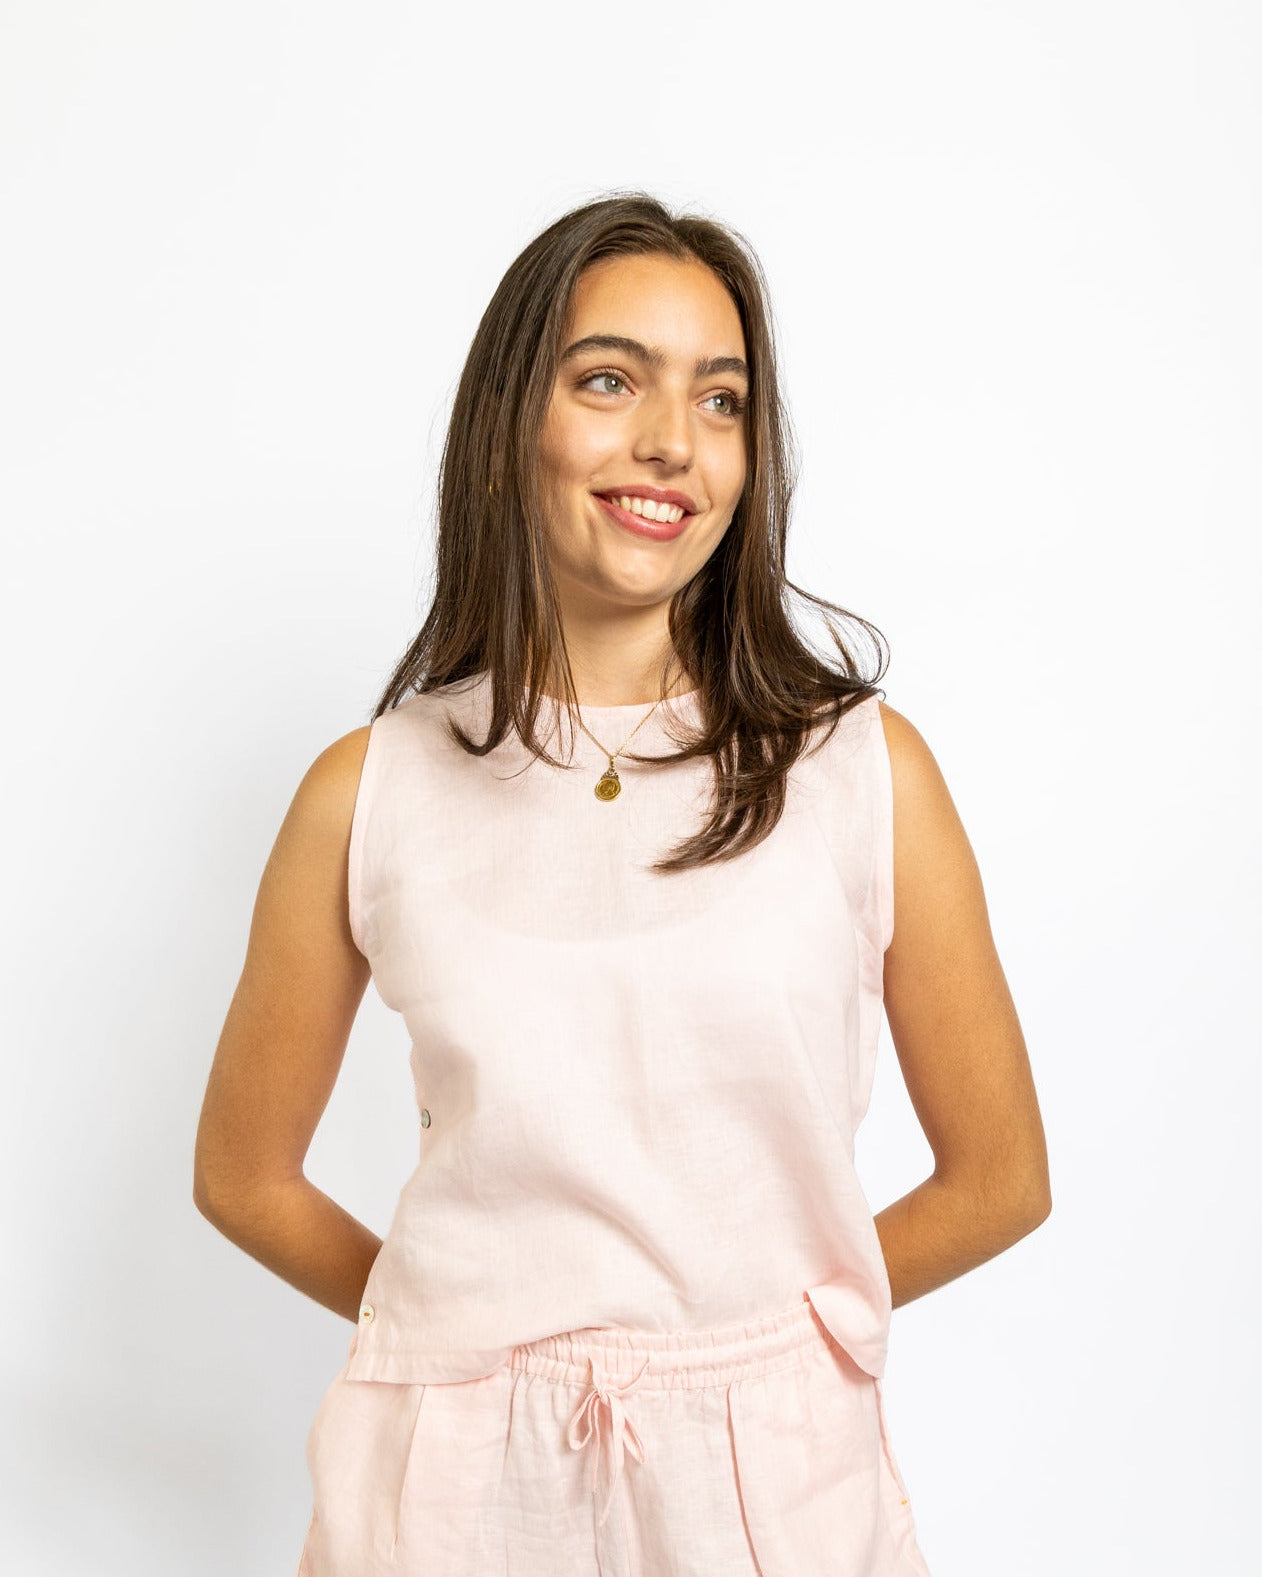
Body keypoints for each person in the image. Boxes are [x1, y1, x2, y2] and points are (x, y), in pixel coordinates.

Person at [193, 191, 1051, 1576]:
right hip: (453, 1489)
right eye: (610, 381)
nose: (671, 442)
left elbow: (1000, 1174)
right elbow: (242, 1171)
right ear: (505, 428)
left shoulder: (860, 771)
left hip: (770, 1485)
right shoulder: (370, 790)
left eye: (720, 400)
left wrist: (779, 1330)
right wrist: (461, 1333)